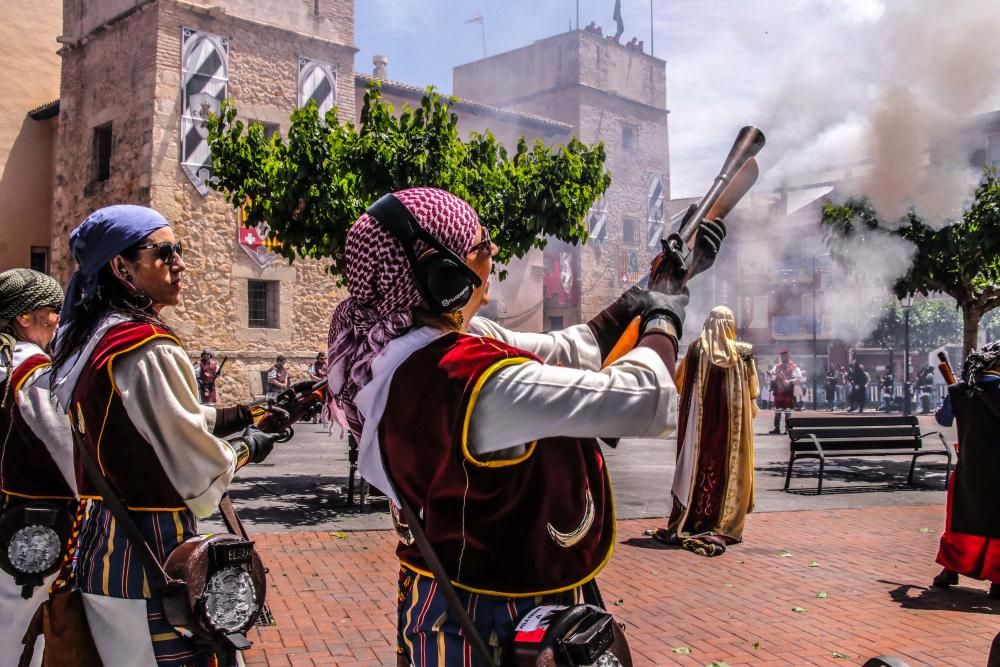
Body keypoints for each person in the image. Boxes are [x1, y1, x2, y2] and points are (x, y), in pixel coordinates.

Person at [325, 187, 723, 666]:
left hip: (451, 602)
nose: (492, 251)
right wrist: (667, 311)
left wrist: (649, 287)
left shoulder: (411, 349)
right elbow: (640, 399)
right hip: (497, 617)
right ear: (443, 274)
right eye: (480, 243)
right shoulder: (471, 381)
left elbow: (573, 346)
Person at [49, 205, 280, 666]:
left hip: (101, 553)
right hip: (152, 560)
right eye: (165, 252)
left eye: (181, 250)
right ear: (122, 266)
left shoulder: (92, 339)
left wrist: (246, 413)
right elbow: (198, 475)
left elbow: (151, 425)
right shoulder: (146, 344)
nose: (181, 263)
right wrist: (250, 446)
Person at [0, 269, 77, 667]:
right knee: (20, 639)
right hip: (30, 532)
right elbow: (70, 454)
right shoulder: (30, 371)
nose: (58, 319)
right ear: (23, 318)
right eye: (52, 310)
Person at [652, 306, 758, 557]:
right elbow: (753, 390)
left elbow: (680, 383)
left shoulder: (696, 350)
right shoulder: (743, 352)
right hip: (732, 432)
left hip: (699, 432)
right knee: (728, 471)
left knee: (697, 470)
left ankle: (693, 519)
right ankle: (724, 521)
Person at [931, 342, 1000, 599]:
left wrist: (955, 392)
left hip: (970, 465)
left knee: (961, 518)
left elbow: (943, 418)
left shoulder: (961, 389)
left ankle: (951, 569)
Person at [769, 350, 802, 434]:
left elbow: (798, 378)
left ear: (788, 356)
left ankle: (788, 429)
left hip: (788, 392)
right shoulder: (777, 366)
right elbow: (772, 372)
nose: (783, 358)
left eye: (784, 356)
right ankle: (777, 428)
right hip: (779, 391)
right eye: (782, 356)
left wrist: (789, 381)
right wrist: (770, 373)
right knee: (777, 410)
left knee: (787, 410)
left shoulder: (794, 366)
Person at [306, 352, 327, 422]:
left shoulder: (326, 364)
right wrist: (320, 380)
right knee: (314, 401)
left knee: (325, 402)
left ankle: (322, 417)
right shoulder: (313, 364)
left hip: (325, 386)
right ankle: (314, 416)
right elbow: (311, 375)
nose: (323, 360)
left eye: (324, 358)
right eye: (321, 358)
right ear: (318, 358)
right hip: (316, 385)